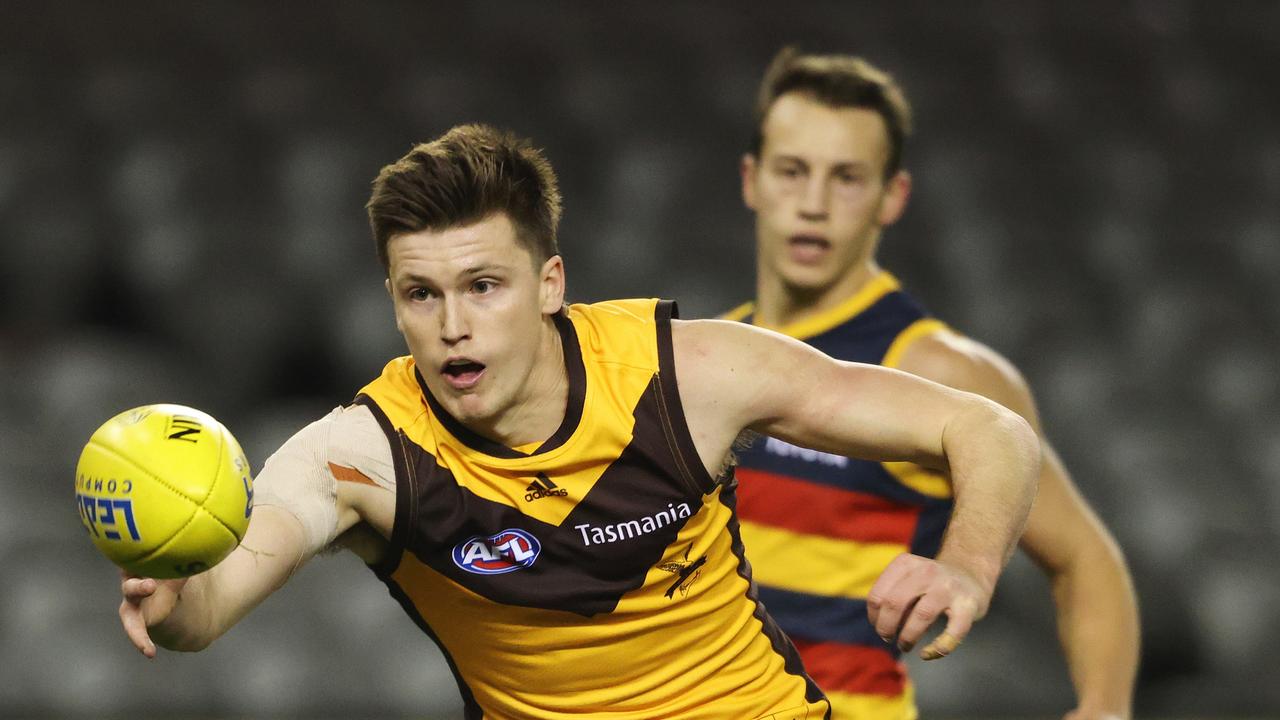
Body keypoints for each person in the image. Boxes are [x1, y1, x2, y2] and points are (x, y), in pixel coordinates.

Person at [117, 124, 1040, 720]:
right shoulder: (364, 455)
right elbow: (212, 606)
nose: (452, 325)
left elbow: (991, 430)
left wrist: (964, 563)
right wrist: (175, 596)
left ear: (550, 285)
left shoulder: (691, 374)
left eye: (483, 286)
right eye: (420, 294)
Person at [725, 48, 1140, 720]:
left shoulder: (941, 373)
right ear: (751, 180)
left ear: (894, 197)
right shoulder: (714, 355)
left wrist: (1105, 707)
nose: (813, 203)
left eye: (848, 178)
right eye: (792, 171)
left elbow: (1085, 559)